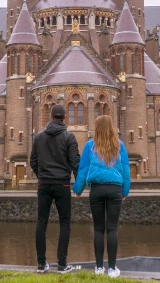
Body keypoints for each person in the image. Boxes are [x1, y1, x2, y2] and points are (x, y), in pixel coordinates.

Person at [73, 115, 130, 278]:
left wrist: (77, 189)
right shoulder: (120, 146)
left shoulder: (90, 146)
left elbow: (83, 170)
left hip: (96, 190)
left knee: (98, 229)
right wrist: (125, 191)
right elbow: (126, 170)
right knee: (112, 228)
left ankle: (99, 268)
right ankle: (112, 269)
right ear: (111, 127)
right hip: (115, 190)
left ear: (96, 128)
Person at [30, 104, 80, 274]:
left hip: (43, 184)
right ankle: (62, 264)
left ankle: (41, 264)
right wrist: (77, 184)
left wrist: (42, 176)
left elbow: (33, 162)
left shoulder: (38, 137)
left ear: (50, 116)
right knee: (65, 223)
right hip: (62, 184)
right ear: (64, 117)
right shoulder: (69, 137)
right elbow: (75, 164)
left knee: (41, 222)